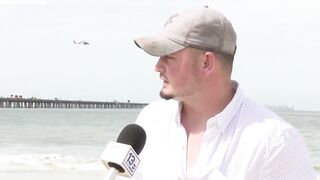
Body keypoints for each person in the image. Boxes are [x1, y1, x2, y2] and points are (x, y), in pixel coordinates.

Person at [131, 6, 317, 180]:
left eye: (169, 57)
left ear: (206, 63)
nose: (157, 67)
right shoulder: (151, 120)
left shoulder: (274, 143)